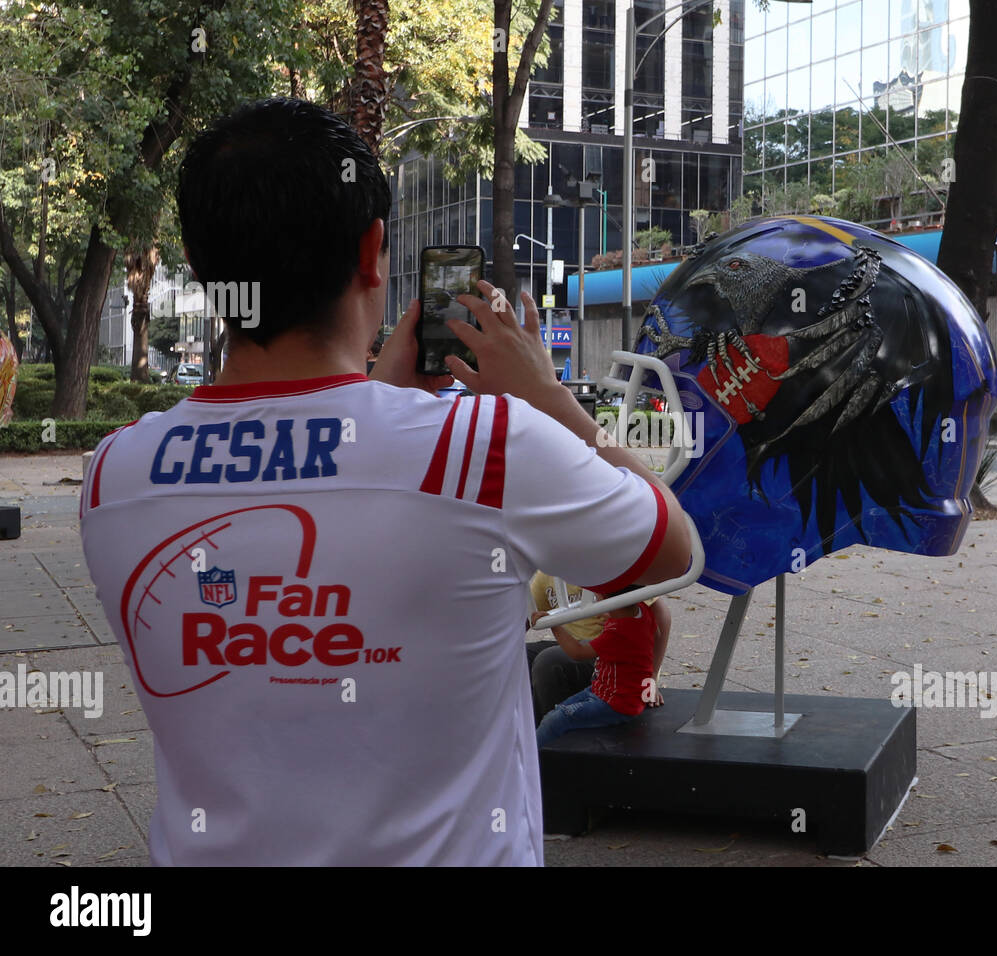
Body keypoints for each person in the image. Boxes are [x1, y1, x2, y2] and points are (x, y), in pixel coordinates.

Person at [77, 98, 691, 867]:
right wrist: (550, 400)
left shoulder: (114, 477)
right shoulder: (486, 451)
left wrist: (382, 397)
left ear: (203, 270)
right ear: (373, 253)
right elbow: (672, 547)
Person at [526, 571, 671, 725]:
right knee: (520, 657)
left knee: (548, 661)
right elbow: (527, 616)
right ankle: (526, 730)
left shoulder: (609, 565)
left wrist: (651, 676)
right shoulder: (549, 571)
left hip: (608, 653)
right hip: (571, 645)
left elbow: (661, 615)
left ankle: (552, 738)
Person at [534, 594, 657, 747]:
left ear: (611, 600)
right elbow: (656, 633)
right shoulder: (641, 610)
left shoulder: (618, 631)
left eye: (598, 595)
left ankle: (526, 762)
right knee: (555, 713)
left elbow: (577, 653)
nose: (594, 598)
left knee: (555, 720)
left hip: (616, 704)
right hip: (604, 690)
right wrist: (650, 676)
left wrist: (554, 624)